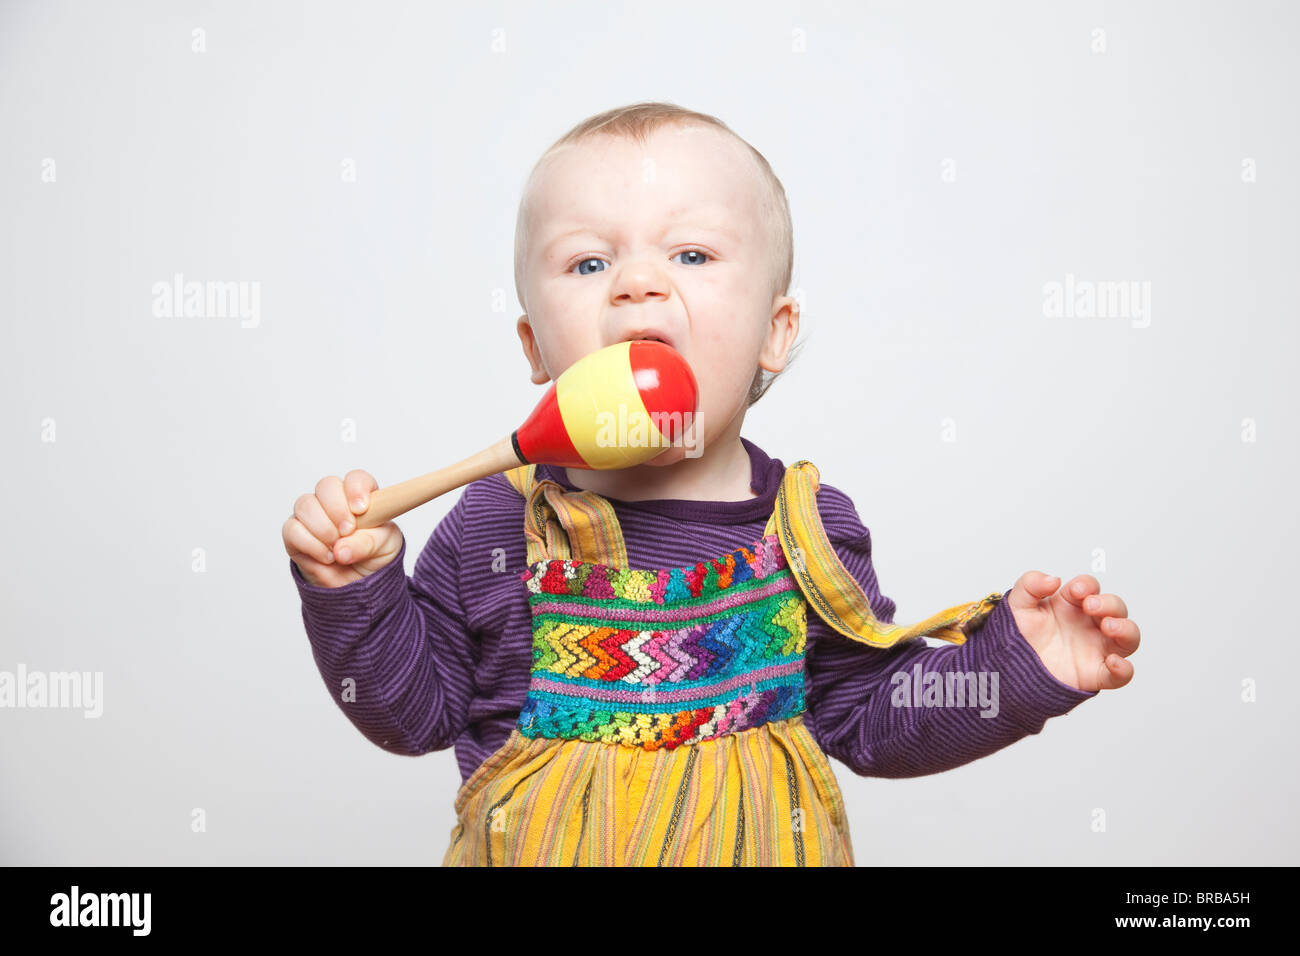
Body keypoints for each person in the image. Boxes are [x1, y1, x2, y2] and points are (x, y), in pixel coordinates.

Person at [282, 102, 1141, 866]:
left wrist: (1016, 669)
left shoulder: (803, 530)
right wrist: (354, 589)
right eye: (587, 263)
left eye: (692, 253)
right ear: (535, 348)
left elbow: (872, 717)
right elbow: (414, 716)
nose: (638, 281)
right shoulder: (494, 523)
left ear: (775, 332)